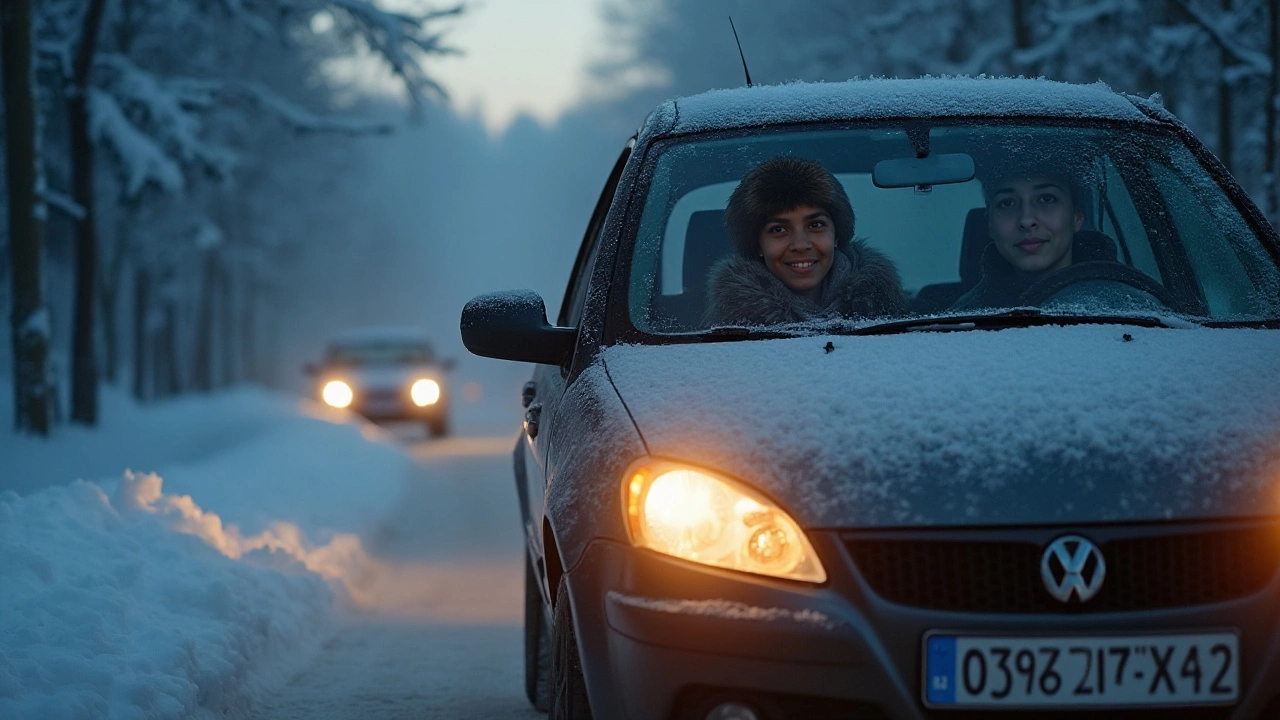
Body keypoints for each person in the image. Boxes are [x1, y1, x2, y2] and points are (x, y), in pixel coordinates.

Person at [704, 157, 907, 327]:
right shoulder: (723, 341)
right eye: (778, 229)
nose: (801, 245)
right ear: (757, 245)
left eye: (816, 225)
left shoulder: (899, 322)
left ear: (837, 235)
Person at [951, 157, 1168, 311]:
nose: (1027, 220)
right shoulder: (961, 322)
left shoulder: (1135, 309)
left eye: (1046, 199)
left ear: (1076, 217)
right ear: (989, 225)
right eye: (1007, 203)